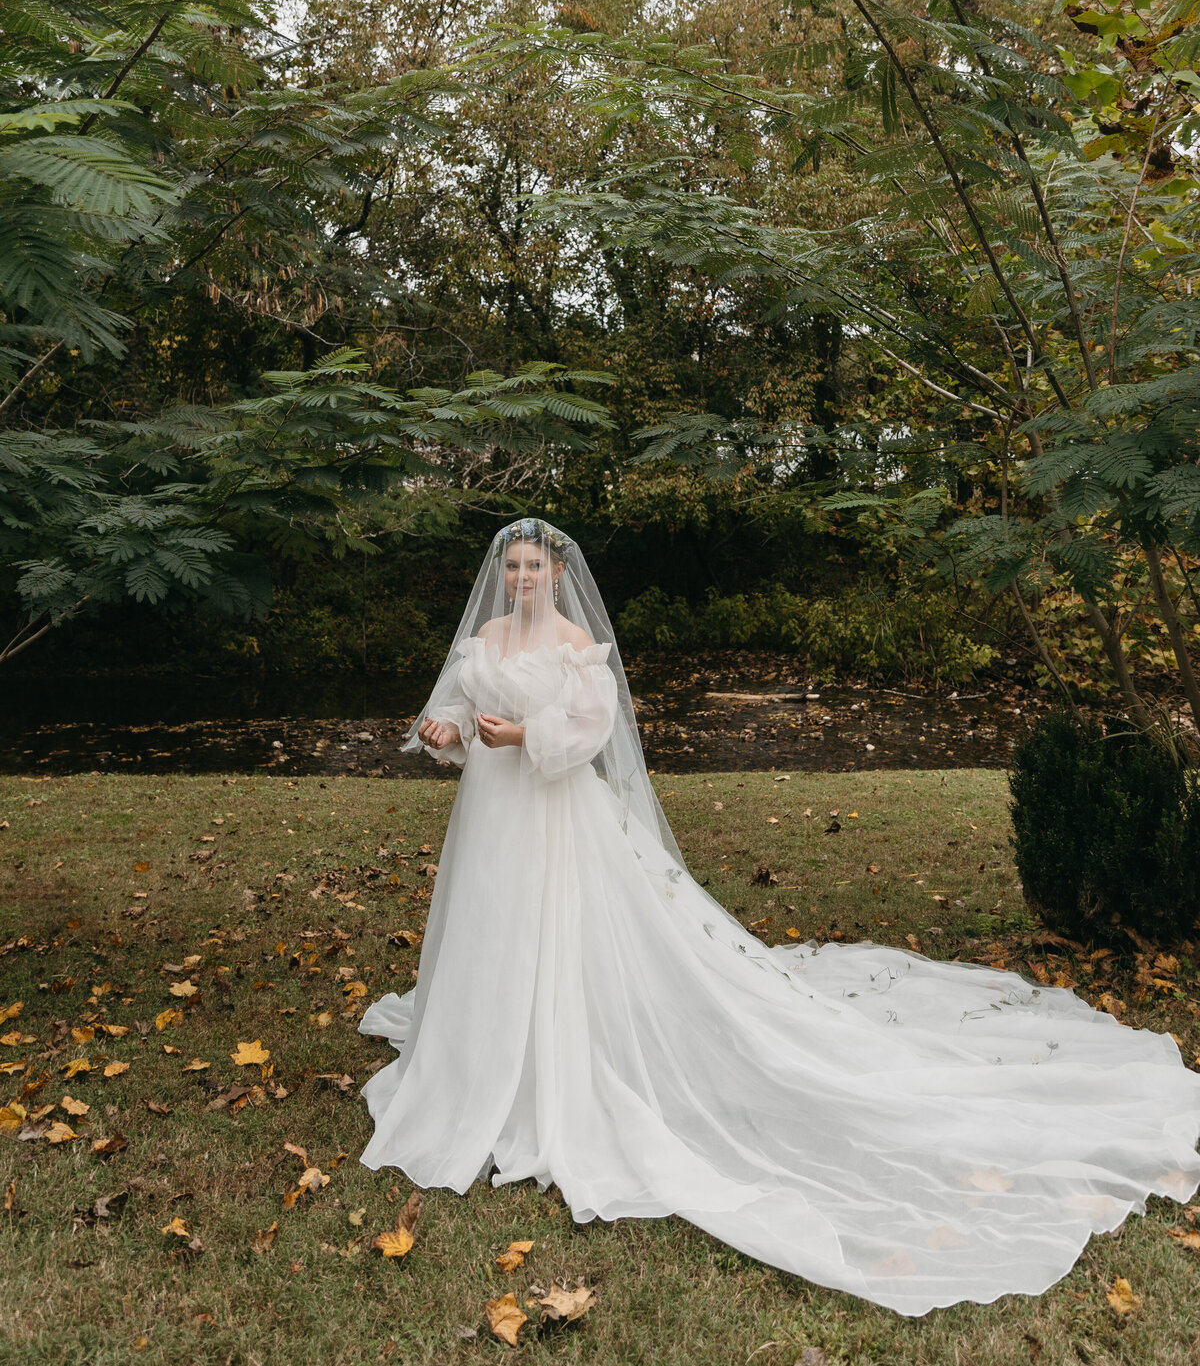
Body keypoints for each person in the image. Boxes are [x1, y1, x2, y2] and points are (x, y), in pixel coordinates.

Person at [357, 518, 1200, 1317]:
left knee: (561, 932)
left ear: (558, 573)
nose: (521, 577)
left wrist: (520, 738)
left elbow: (588, 735)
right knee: (493, 932)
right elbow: (463, 723)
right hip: (491, 817)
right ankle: (483, 1050)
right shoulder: (485, 640)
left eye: (534, 566)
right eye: (511, 566)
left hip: (554, 813)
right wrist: (449, 731)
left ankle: (561, 1052)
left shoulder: (577, 647)